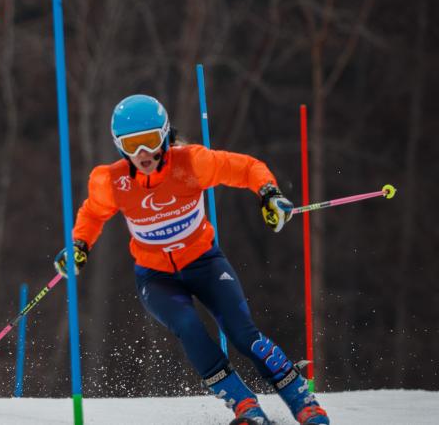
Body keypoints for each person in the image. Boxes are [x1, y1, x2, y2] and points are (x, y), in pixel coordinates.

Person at [54, 95, 329, 425]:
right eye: (132, 145)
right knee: (188, 327)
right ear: (119, 146)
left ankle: (303, 402)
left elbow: (247, 168)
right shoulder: (111, 181)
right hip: (156, 278)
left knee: (243, 333)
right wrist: (80, 245)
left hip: (205, 264)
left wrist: (269, 194)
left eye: (150, 142)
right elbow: (92, 214)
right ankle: (245, 407)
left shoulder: (192, 164)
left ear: (166, 135)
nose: (142, 154)